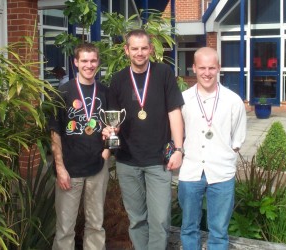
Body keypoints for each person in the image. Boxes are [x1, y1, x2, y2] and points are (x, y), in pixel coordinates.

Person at [102, 29, 184, 249]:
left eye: (144, 48)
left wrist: (179, 149)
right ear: (126, 50)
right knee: (137, 219)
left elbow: (174, 111)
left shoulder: (163, 73)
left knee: (160, 219)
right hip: (128, 161)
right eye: (135, 48)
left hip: (159, 160)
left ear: (150, 49)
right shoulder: (118, 79)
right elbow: (113, 120)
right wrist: (111, 132)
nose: (139, 53)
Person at [178, 47, 247, 250]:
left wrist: (221, 155)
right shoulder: (183, 99)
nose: (206, 73)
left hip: (222, 173)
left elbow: (237, 140)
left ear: (219, 68)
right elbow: (177, 135)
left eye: (211, 68)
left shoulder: (233, 101)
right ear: (193, 68)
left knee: (219, 232)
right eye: (202, 68)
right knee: (189, 227)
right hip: (190, 171)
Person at [49, 43, 110, 250]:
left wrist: (106, 152)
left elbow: (113, 126)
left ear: (98, 62)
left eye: (93, 60)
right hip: (70, 169)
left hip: (97, 167)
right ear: (76, 62)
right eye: (84, 61)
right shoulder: (63, 92)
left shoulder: (104, 91)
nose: (89, 65)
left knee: (95, 224)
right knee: (65, 227)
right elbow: (55, 131)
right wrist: (60, 167)